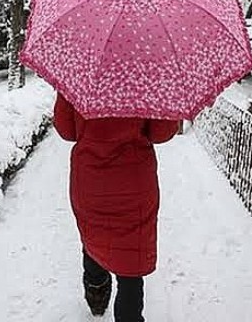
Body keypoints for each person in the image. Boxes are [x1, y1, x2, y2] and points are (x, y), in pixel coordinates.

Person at [53, 93, 179, 322]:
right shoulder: (145, 78)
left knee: (93, 236)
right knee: (131, 256)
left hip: (90, 181)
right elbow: (162, 133)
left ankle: (96, 293)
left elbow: (66, 130)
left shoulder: (81, 75)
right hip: (134, 182)